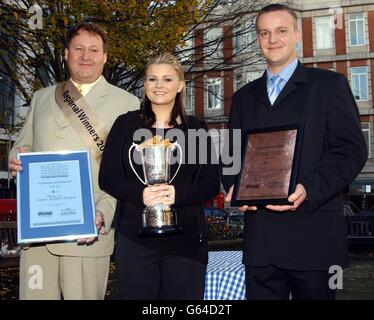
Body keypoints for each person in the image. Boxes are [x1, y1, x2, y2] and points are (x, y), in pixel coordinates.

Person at [221, 4, 368, 300]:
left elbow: (351, 151)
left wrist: (309, 188)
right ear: (258, 38)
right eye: (264, 32)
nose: (272, 39)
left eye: (281, 31)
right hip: (261, 245)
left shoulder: (330, 86)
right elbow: (231, 157)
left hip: (315, 242)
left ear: (297, 34)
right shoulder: (243, 97)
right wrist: (235, 187)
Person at [8, 22, 139, 299]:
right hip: (39, 235)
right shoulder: (41, 97)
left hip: (88, 229)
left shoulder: (127, 103)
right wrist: (15, 156)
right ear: (66, 53)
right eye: (78, 49)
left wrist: (103, 213)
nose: (85, 56)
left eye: (94, 50)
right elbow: (24, 144)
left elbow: (127, 173)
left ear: (105, 56)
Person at [99, 52, 220, 299]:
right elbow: (107, 177)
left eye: (167, 79)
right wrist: (139, 194)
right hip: (135, 237)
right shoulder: (125, 124)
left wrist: (177, 193)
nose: (159, 86)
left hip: (185, 240)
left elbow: (210, 183)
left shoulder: (196, 129)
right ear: (145, 85)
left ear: (180, 85)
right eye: (152, 79)